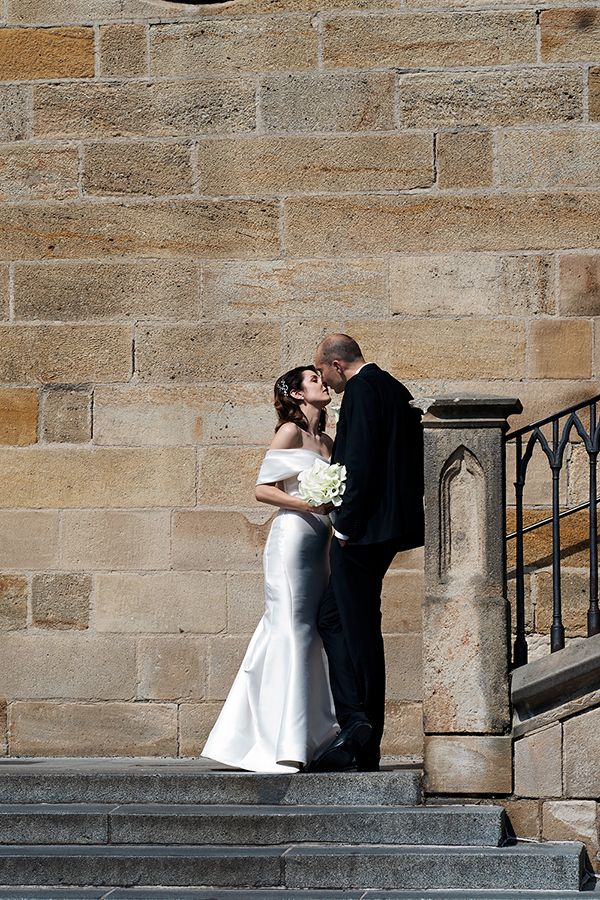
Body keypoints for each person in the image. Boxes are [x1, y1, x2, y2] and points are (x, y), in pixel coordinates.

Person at [202, 365, 338, 773]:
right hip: (292, 540)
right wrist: (308, 504)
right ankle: (282, 741)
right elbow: (263, 489)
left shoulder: (328, 440)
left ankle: (309, 735)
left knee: (309, 631)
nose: (322, 382)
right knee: (290, 626)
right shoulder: (289, 432)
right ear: (297, 394)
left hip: (320, 543)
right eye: (313, 379)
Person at [310, 334, 424, 773]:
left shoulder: (360, 391)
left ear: (337, 365)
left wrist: (346, 525)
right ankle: (359, 727)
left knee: (356, 630)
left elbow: (357, 463)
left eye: (323, 372)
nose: (324, 381)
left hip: (362, 534)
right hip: (389, 528)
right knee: (335, 618)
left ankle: (361, 732)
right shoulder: (392, 387)